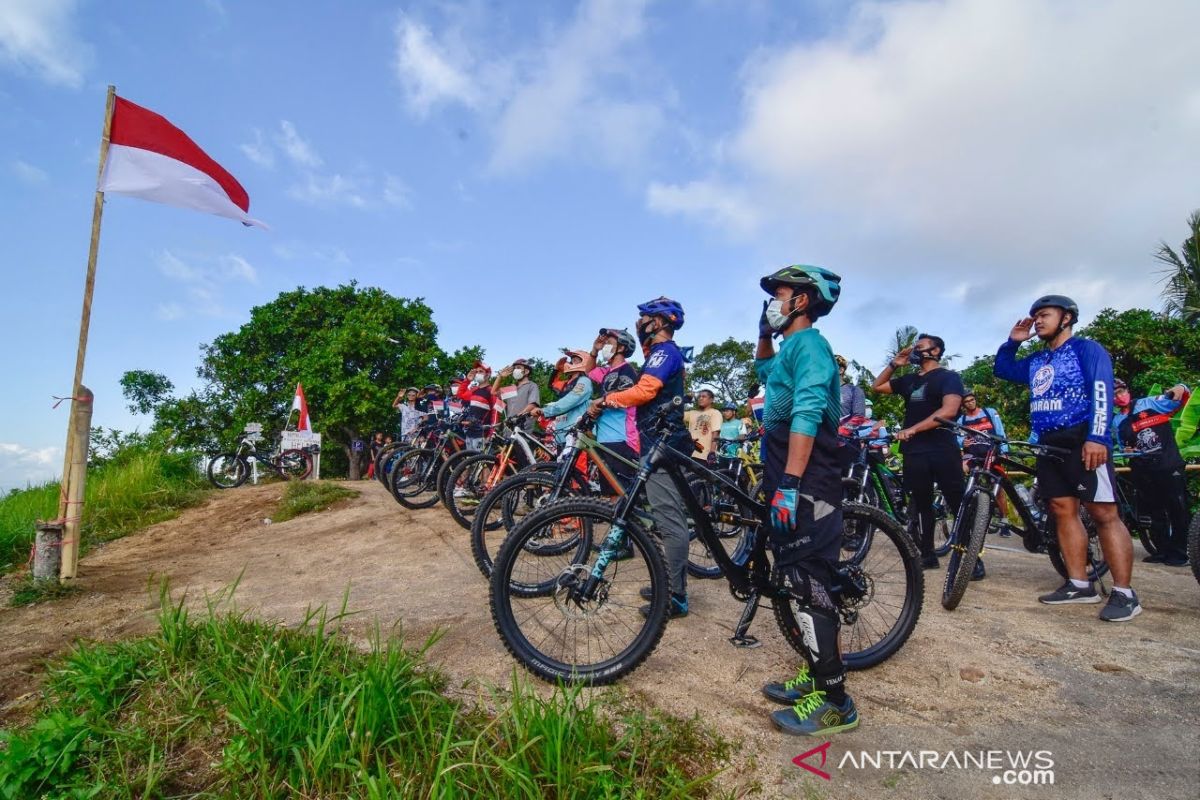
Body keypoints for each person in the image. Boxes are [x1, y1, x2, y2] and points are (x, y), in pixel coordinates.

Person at [752, 265, 857, 737]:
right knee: (794, 578)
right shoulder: (789, 347)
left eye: (780, 294)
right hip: (784, 465)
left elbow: (809, 410)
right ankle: (815, 675)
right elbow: (763, 370)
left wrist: (791, 482)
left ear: (804, 301)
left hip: (808, 473)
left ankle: (836, 702)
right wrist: (763, 333)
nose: (773, 301)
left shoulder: (812, 344)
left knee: (810, 579)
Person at [994, 295, 1140, 621]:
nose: (1038, 321)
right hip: (1049, 445)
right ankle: (1078, 583)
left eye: (1044, 314)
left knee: (1103, 512)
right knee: (1063, 511)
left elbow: (1101, 390)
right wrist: (1012, 342)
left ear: (1067, 318)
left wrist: (1097, 437)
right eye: (1035, 316)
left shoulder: (1087, 349)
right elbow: (1003, 370)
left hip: (1083, 441)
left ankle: (1125, 593)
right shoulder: (1037, 361)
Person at [589, 297, 692, 620]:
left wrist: (607, 400)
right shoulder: (658, 353)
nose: (640, 323)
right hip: (655, 442)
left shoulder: (665, 352)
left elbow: (645, 391)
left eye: (645, 319)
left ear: (660, 322)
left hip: (664, 444)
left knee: (668, 519)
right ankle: (671, 584)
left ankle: (676, 597)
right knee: (657, 511)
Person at [872, 334, 975, 577]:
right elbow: (877, 387)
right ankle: (926, 554)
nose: (916, 351)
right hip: (915, 450)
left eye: (921, 347)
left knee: (957, 501)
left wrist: (913, 429)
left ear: (936, 350)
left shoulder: (949, 378)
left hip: (942, 447)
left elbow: (949, 410)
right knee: (920, 502)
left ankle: (971, 558)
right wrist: (894, 365)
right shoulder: (908, 380)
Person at [1112, 378, 1192, 566]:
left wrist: (1180, 387)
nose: (1119, 396)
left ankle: (1179, 554)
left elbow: (1181, 395)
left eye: (1121, 391)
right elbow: (1123, 446)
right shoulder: (1117, 420)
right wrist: (1127, 451)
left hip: (1167, 465)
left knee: (1177, 509)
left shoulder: (1149, 403)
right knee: (1154, 511)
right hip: (1142, 469)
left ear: (1127, 389)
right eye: (1114, 395)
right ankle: (1161, 551)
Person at [584, 327, 642, 491]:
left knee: (618, 492)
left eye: (609, 343)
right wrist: (594, 350)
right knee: (609, 490)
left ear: (622, 347)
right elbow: (589, 371)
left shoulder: (627, 371)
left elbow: (625, 394)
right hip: (605, 438)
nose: (605, 347)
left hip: (621, 438)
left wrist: (600, 402)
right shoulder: (607, 372)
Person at [957, 391, 1011, 530]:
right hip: (973, 455)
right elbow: (957, 437)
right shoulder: (961, 420)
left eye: (972, 400)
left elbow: (1000, 431)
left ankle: (1004, 520)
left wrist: (1005, 451)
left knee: (997, 487)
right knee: (958, 473)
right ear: (963, 405)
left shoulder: (989, 412)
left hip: (991, 454)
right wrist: (962, 442)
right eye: (967, 401)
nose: (970, 403)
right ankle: (967, 509)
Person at [528, 350, 593, 446]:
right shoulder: (566, 383)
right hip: (562, 433)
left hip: (577, 434)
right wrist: (556, 370)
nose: (571, 363)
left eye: (575, 360)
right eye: (572, 361)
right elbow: (552, 384)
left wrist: (544, 411)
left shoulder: (584, 381)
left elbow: (569, 401)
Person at [494, 359, 541, 428]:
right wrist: (500, 377)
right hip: (509, 427)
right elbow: (494, 392)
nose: (515, 370)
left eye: (518, 368)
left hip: (523, 428)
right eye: (515, 368)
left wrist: (517, 417)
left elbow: (532, 405)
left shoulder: (532, 385)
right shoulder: (512, 389)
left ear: (527, 371)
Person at [456, 364, 494, 451]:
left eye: (481, 371)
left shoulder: (491, 391)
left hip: (482, 433)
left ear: (488, 375)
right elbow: (460, 395)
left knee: (480, 461)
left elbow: (495, 413)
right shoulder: (474, 390)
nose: (477, 374)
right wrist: (467, 380)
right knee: (469, 460)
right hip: (470, 431)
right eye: (476, 372)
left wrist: (491, 433)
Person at [684, 389, 723, 463]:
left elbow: (715, 433)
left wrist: (712, 452)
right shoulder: (692, 413)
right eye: (699, 397)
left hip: (704, 456)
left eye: (704, 396)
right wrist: (684, 400)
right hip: (690, 453)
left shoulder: (714, 413)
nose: (700, 398)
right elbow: (676, 413)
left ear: (711, 400)